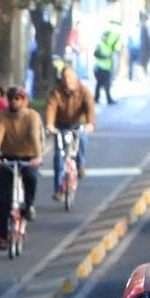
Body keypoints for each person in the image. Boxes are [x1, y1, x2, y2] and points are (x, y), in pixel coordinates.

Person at [0, 84, 44, 243]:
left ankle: (29, 205)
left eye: (17, 98)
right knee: (4, 199)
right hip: (8, 156)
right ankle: (2, 235)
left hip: (28, 156)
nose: (14, 102)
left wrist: (38, 156)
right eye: (11, 98)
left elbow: (35, 136)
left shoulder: (32, 116)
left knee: (30, 177)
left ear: (24, 100)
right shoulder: (3, 116)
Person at [42, 66, 95, 199]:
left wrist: (90, 123)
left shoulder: (83, 90)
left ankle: (80, 164)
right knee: (59, 157)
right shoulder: (56, 92)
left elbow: (90, 107)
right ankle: (58, 189)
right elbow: (51, 108)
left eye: (70, 77)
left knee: (82, 138)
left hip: (78, 124)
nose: (67, 80)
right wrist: (49, 124)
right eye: (65, 77)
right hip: (61, 125)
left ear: (75, 77)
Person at [92, 21, 122, 105]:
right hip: (100, 68)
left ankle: (108, 99)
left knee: (107, 84)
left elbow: (116, 47)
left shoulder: (109, 46)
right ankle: (96, 98)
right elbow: (96, 54)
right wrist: (105, 57)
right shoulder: (100, 45)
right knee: (99, 84)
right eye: (105, 36)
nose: (106, 38)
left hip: (107, 68)